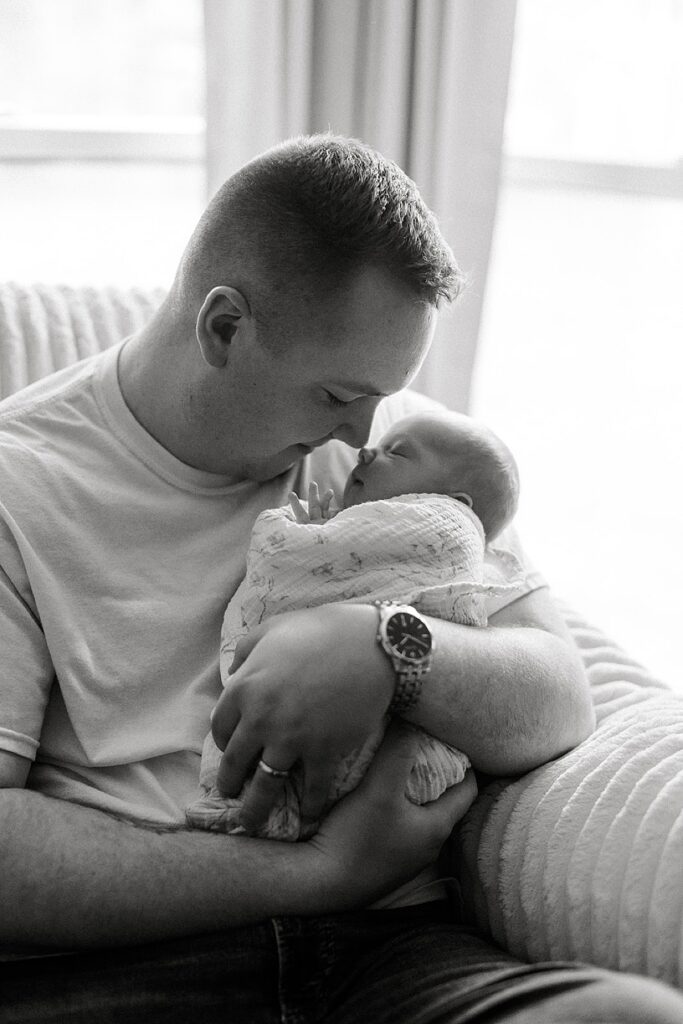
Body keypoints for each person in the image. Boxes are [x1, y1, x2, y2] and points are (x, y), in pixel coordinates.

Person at [1, 134, 682, 1023]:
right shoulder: (22, 487)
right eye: (336, 397)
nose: (361, 437)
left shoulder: (402, 451)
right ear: (223, 328)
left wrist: (390, 646)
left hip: (388, 961)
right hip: (115, 974)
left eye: (381, 395)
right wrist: (321, 875)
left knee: (626, 1016)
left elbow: (558, 696)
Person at [187, 410, 522, 844]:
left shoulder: (446, 530)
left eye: (396, 453)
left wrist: (301, 540)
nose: (364, 448)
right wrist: (328, 532)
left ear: (453, 505)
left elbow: (287, 561)